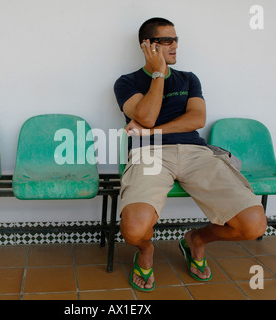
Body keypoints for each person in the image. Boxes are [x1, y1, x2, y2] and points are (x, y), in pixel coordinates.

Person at [113, 17, 267, 292]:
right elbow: (145, 116)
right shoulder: (127, 82)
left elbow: (197, 119)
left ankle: (196, 240)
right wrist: (159, 74)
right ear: (147, 46)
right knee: (133, 230)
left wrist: (150, 131)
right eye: (167, 40)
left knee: (254, 224)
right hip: (150, 155)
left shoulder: (189, 79)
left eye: (176, 40)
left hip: (196, 153)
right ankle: (146, 251)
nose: (175, 46)